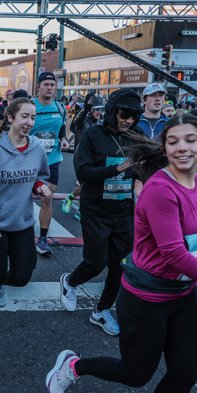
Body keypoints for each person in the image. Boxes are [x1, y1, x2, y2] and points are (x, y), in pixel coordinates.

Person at [45, 114, 197, 393]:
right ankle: (73, 367)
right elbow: (175, 255)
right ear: (164, 148)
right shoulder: (160, 189)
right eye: (173, 141)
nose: (182, 147)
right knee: (135, 376)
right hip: (145, 298)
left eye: (190, 140)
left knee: (185, 373)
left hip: (183, 293)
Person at [59, 89, 145, 336]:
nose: (127, 120)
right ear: (111, 111)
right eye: (123, 114)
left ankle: (102, 311)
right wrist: (118, 167)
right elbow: (83, 173)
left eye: (132, 115)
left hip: (124, 210)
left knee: (122, 263)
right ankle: (70, 282)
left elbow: (144, 168)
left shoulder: (137, 135)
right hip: (95, 209)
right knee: (95, 262)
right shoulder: (93, 135)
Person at [0, 98, 51, 334]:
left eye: (33, 117)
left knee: (22, 277)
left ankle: (1, 284)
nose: (29, 122)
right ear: (10, 118)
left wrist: (39, 187)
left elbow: (40, 176)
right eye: (24, 116)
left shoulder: (36, 148)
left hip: (22, 223)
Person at [30, 72, 69, 255]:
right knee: (22, 198)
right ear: (38, 87)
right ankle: (20, 230)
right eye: (46, 84)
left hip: (52, 160)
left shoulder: (60, 107)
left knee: (47, 198)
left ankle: (42, 239)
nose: (50, 88)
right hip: (29, 160)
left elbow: (61, 127)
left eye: (52, 85)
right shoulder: (30, 106)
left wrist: (63, 139)